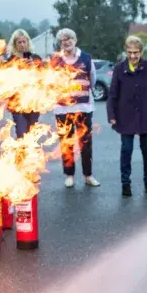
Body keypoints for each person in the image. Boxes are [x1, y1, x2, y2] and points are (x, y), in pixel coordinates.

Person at [107, 36, 147, 197]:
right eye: (130, 52)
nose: (132, 56)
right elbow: (113, 94)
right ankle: (126, 183)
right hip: (125, 115)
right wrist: (111, 114)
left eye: (136, 53)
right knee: (126, 150)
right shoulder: (119, 68)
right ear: (126, 51)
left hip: (146, 114)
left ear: (141, 52)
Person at [51, 28, 100, 188]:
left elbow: (92, 79)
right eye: (63, 40)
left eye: (69, 38)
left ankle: (88, 175)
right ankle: (69, 175)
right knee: (66, 143)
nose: (67, 42)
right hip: (62, 109)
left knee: (85, 143)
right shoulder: (55, 60)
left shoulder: (86, 58)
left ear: (75, 40)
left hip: (83, 107)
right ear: (60, 43)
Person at [2, 29, 44, 139]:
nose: (22, 45)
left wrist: (36, 66)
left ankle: (30, 155)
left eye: (24, 42)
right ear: (15, 45)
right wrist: (16, 68)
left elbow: (45, 78)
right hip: (17, 103)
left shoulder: (36, 58)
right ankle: (21, 154)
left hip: (34, 103)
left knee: (31, 134)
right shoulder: (10, 61)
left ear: (28, 42)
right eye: (19, 42)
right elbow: (5, 81)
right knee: (21, 132)